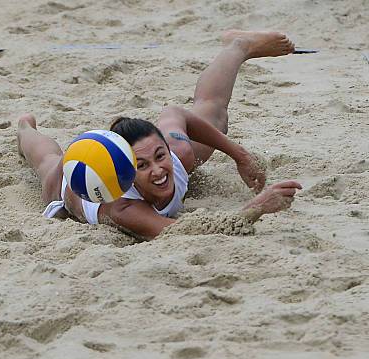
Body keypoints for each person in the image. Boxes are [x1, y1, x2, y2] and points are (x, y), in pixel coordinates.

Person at [17, 29, 302, 240]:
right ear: (126, 174)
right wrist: (256, 208)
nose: (158, 171)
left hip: (136, 148)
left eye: (159, 156)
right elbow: (187, 233)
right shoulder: (124, 207)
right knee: (47, 162)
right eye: (142, 166)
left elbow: (177, 113)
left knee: (213, 114)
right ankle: (24, 128)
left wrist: (239, 154)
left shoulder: (178, 153)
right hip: (73, 180)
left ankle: (237, 46)